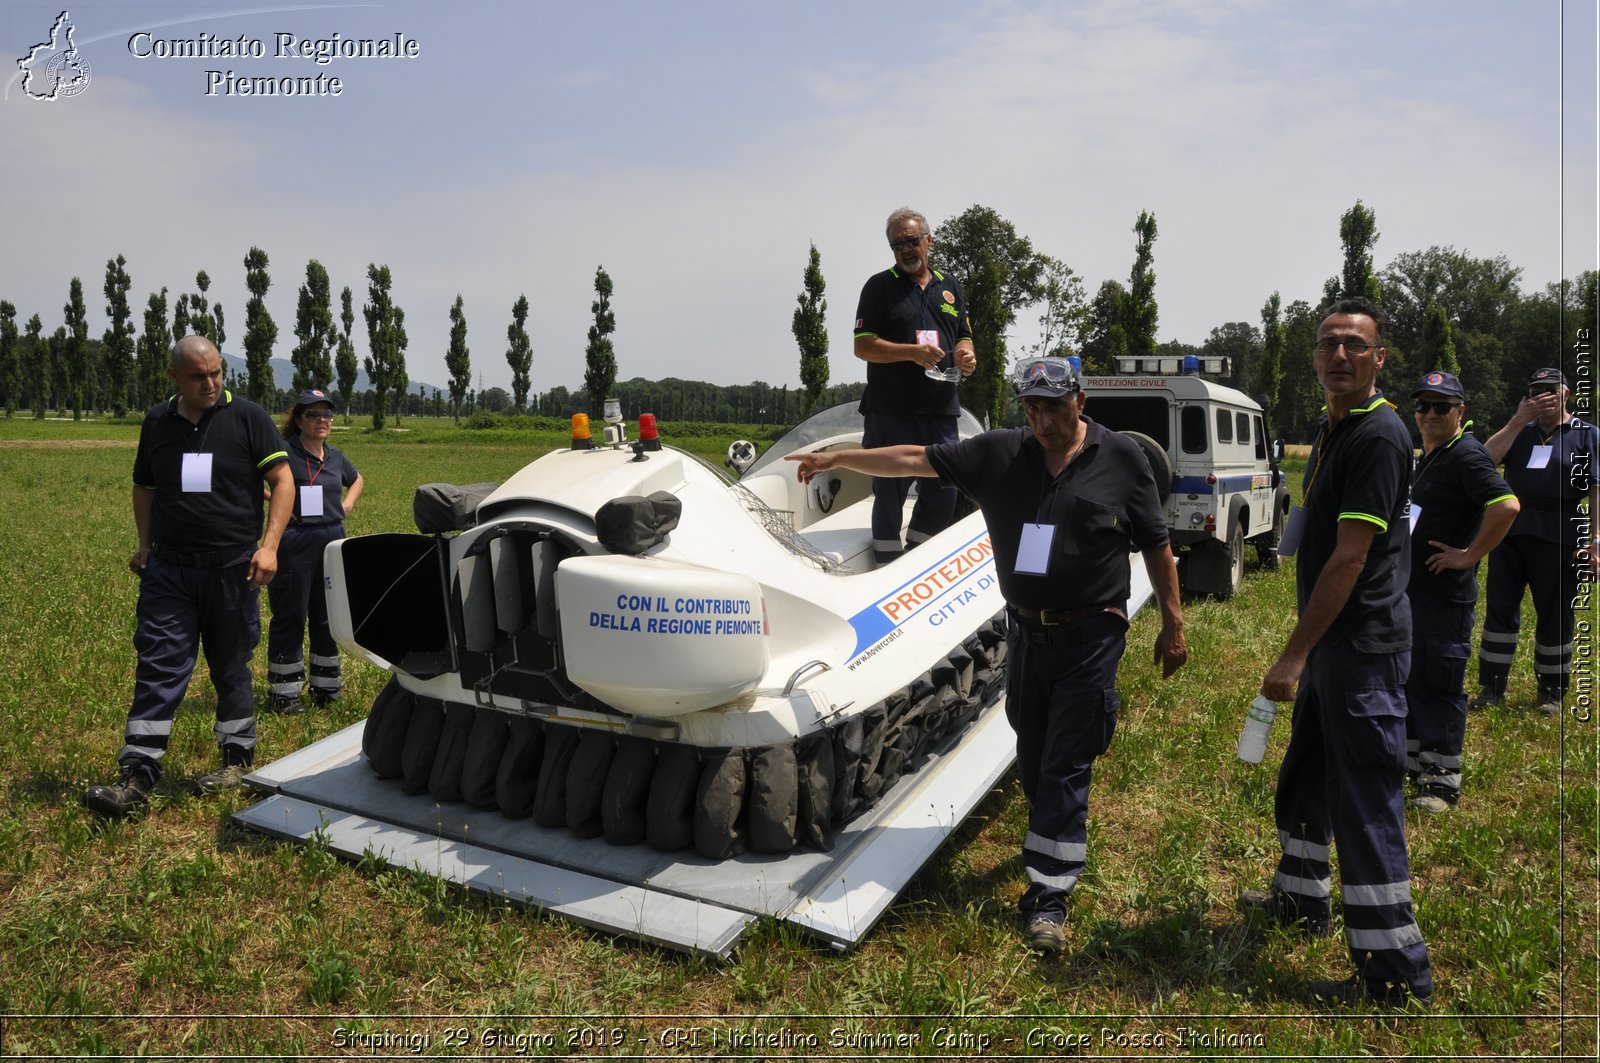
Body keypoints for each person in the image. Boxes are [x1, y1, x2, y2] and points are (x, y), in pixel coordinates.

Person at [787, 355, 1186, 954]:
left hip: (1091, 635)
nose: (1043, 420)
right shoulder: (1001, 454)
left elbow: (1156, 544)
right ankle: (1050, 832)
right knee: (1032, 746)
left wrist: (1173, 624)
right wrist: (841, 457)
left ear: (1081, 401)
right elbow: (915, 458)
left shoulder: (1122, 458)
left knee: (1066, 760)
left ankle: (1049, 896)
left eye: (1055, 406)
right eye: (1032, 408)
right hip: (1028, 634)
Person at [1242, 297, 1433, 1008]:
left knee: (1364, 799)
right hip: (1333, 645)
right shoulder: (1330, 429)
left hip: (1362, 647)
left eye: (1356, 344)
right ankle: (1299, 899)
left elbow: (1350, 560)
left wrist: (1291, 656)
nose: (1340, 355)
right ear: (1315, 355)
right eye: (1329, 343)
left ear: (1380, 358)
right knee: (1306, 775)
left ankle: (1393, 972)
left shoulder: (1378, 436)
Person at [83, 335, 292, 817]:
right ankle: (137, 774)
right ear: (174, 376)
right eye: (198, 376)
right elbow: (144, 486)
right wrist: (144, 544)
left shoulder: (249, 418)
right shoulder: (158, 421)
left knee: (230, 665)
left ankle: (236, 759)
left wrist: (269, 547)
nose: (211, 383)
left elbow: (282, 481)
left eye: (217, 372)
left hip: (232, 569)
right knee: (158, 663)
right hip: (170, 570)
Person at [1403, 371, 1518, 813]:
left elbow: (1506, 505)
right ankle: (1415, 764)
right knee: (1414, 678)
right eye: (1423, 406)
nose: (1430, 414)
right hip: (1415, 592)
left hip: (1443, 597)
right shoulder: (1431, 455)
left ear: (1460, 412)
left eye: (1442, 407)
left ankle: (1442, 781)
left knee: (1440, 681)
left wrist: (1468, 555)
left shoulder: (1465, 455)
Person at [853, 207, 979, 563]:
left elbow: (965, 336)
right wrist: (912, 353)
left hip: (941, 409)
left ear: (929, 240)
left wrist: (967, 355)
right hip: (891, 410)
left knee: (945, 490)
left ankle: (915, 561)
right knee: (889, 492)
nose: (906, 250)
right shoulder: (879, 286)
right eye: (897, 245)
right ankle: (885, 564)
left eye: (911, 241)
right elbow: (863, 346)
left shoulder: (950, 287)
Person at [1475, 367, 1598, 716]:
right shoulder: (1520, 431)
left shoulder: (1585, 435)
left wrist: (1596, 542)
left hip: (1561, 533)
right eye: (1534, 390)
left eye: (1549, 389)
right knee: (1500, 610)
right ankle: (1492, 686)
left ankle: (1551, 690)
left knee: (1555, 615)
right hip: (1511, 531)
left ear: (1567, 394)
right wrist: (1516, 421)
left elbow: (1596, 490)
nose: (1541, 396)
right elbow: (1483, 461)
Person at [265, 389, 364, 714]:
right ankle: (284, 694)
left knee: (326, 616)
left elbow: (357, 479)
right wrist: (276, 502)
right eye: (313, 415)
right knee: (291, 615)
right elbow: (252, 478)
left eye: (327, 415)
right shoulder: (283, 452)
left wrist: (347, 504)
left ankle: (326, 688)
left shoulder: (335, 456)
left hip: (332, 539)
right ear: (299, 420)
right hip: (295, 540)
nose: (322, 421)